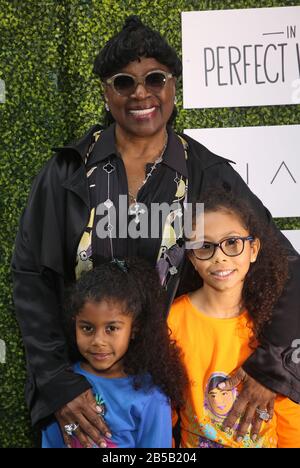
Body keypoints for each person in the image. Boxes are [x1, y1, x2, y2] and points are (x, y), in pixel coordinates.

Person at [12, 15, 300, 448]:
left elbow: (287, 268)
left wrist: (271, 369)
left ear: (173, 86)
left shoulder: (207, 175)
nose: (141, 93)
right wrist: (56, 383)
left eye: (155, 78)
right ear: (106, 92)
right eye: (124, 81)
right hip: (86, 393)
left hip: (175, 395)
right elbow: (31, 278)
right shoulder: (66, 174)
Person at [168, 189, 300, 448]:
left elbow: (288, 409)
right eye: (205, 246)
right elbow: (164, 408)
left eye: (231, 243)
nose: (220, 256)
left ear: (253, 249)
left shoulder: (273, 323)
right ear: (192, 258)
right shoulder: (173, 320)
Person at [42, 257, 187, 448]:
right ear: (74, 323)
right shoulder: (66, 387)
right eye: (87, 328)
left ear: (134, 328)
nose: (98, 341)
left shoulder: (151, 395)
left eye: (111, 328)